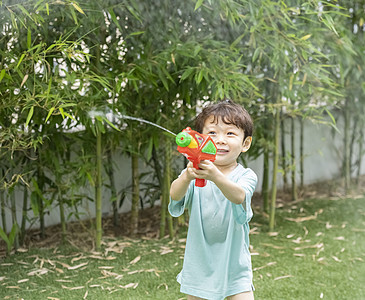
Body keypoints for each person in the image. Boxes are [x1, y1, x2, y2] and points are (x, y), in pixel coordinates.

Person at [169, 99, 257, 300]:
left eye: (230, 133)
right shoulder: (194, 172)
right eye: (212, 133)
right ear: (200, 140)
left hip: (235, 263)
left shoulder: (246, 176)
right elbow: (175, 195)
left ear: (245, 144)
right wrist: (187, 176)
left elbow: (239, 196)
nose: (220, 140)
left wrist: (215, 175)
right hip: (199, 262)